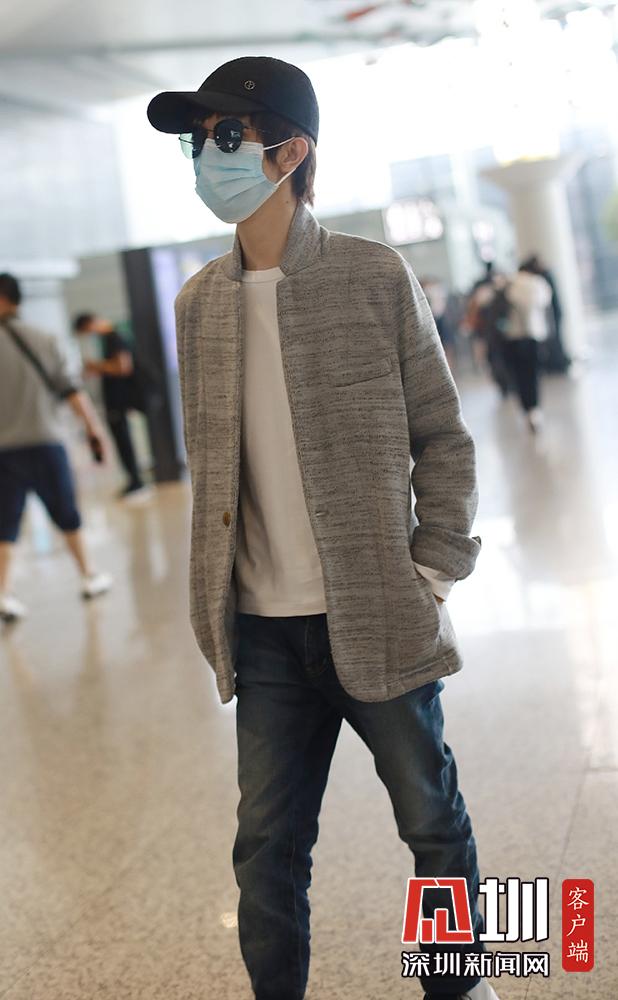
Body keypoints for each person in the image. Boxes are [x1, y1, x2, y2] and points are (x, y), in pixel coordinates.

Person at [147, 56, 497, 1000]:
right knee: (265, 850)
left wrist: (432, 571)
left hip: (378, 609)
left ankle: (459, 984)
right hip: (263, 631)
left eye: (227, 136)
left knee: (431, 820)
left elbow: (444, 436)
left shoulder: (374, 276)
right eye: (198, 142)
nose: (208, 158)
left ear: (291, 151)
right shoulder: (197, 303)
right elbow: (216, 468)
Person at [0, 274, 112, 622]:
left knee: (5, 524)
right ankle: (89, 576)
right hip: (45, 442)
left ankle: (3, 594)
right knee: (66, 512)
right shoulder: (45, 340)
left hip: (4, 452)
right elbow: (71, 390)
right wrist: (93, 429)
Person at [73, 313, 152, 501]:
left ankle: (136, 481)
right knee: (122, 440)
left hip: (119, 400)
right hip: (117, 400)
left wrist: (96, 366)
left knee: (123, 441)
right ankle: (133, 479)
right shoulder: (111, 338)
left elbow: (122, 367)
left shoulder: (113, 337)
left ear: (89, 324)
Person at [502, 262, 553, 433]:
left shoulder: (509, 284)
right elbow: (545, 304)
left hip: (512, 337)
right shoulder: (537, 284)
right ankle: (534, 409)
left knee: (519, 375)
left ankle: (526, 409)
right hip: (534, 336)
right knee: (533, 374)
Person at [520, 254, 571, 374]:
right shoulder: (543, 277)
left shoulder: (542, 278)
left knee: (554, 339)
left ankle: (557, 363)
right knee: (553, 339)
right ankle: (556, 362)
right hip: (551, 314)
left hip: (551, 314)